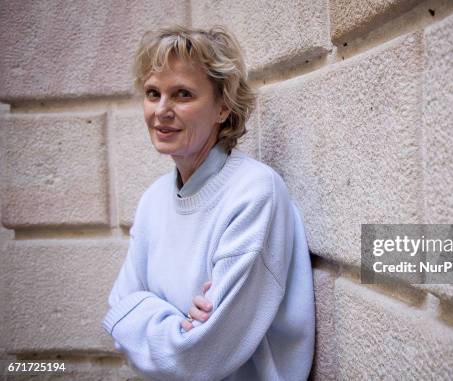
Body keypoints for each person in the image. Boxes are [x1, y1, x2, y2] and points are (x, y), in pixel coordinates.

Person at [101, 24, 315, 381]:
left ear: (222, 108)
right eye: (153, 93)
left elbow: (196, 357)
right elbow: (117, 311)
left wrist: (146, 312)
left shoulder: (254, 192)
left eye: (182, 94)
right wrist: (177, 320)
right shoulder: (154, 200)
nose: (161, 111)